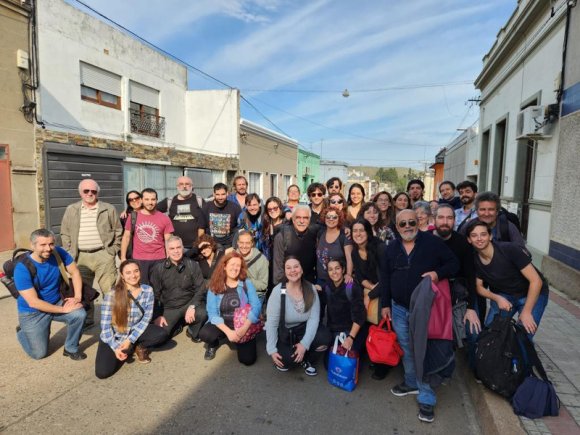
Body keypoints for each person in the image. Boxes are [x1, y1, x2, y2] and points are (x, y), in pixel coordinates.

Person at [380, 209, 459, 423]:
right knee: (406, 347)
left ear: (419, 222)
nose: (407, 226)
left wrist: (437, 274)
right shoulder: (391, 248)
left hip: (425, 310)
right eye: (402, 223)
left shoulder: (432, 243)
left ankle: (427, 397)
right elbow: (385, 277)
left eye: (411, 222)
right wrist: (385, 304)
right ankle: (411, 381)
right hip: (398, 308)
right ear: (396, 227)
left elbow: (454, 264)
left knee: (423, 350)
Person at [465, 219, 549, 336]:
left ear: (490, 236)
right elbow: (479, 287)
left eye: (483, 234)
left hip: (531, 293)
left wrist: (526, 312)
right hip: (504, 294)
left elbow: (536, 281)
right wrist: (497, 298)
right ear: (469, 240)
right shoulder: (475, 259)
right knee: (491, 334)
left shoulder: (509, 249)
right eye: (474, 235)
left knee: (524, 335)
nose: (479, 238)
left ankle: (523, 352)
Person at [14, 229, 87, 360]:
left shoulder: (58, 253)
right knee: (39, 354)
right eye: (43, 245)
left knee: (79, 314)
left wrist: (77, 297)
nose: (48, 248)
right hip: (32, 312)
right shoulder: (22, 267)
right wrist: (64, 309)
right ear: (32, 245)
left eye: (51, 244)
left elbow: (75, 272)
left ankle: (71, 348)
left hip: (56, 301)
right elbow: (33, 302)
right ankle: (21, 332)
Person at [60, 178, 122, 328]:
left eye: (93, 191)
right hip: (80, 256)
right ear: (80, 192)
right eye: (86, 191)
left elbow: (118, 231)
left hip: (103, 254)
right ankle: (87, 319)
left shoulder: (108, 209)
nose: (90, 193)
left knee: (109, 289)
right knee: (83, 289)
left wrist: (112, 250)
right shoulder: (72, 209)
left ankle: (114, 320)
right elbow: (65, 233)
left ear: (97, 192)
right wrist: (69, 253)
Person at [95, 260, 168, 379]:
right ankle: (127, 350)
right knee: (102, 373)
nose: (133, 275)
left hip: (135, 331)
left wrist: (130, 340)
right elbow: (105, 327)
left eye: (136, 271)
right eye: (128, 273)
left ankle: (135, 346)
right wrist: (115, 347)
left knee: (161, 333)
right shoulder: (112, 295)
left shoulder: (147, 291)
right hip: (115, 335)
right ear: (122, 276)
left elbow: (146, 319)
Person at [266, 257, 331, 376]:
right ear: (285, 271)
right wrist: (271, 349)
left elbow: (313, 318)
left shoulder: (311, 289)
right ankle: (295, 356)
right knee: (287, 361)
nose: (293, 270)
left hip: (304, 328)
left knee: (325, 338)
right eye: (288, 267)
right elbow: (271, 323)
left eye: (296, 266)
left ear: (301, 269)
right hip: (287, 333)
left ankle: (308, 360)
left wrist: (304, 344)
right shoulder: (278, 291)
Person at [199, 252, 262, 364]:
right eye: (232, 264)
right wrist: (229, 333)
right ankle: (215, 342)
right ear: (224, 266)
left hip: (242, 324)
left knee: (248, 360)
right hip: (223, 324)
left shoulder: (246, 283)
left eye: (238, 265)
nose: (235, 268)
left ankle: (248, 337)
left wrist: (244, 329)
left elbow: (256, 306)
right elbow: (212, 313)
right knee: (205, 334)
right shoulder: (215, 285)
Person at [150, 236, 208, 342]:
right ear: (167, 250)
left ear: (182, 248)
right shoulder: (158, 269)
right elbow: (155, 294)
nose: (176, 251)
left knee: (203, 313)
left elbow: (201, 288)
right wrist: (157, 316)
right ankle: (178, 325)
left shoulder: (192, 264)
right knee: (160, 336)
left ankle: (192, 331)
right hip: (169, 308)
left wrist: (193, 306)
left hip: (188, 303)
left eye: (178, 247)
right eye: (172, 248)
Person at [351, 218, 388, 380]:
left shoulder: (380, 248)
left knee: (383, 326)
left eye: (361, 230)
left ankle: (383, 364)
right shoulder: (354, 251)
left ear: (368, 232)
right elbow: (359, 277)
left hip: (386, 290)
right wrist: (370, 293)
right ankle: (370, 354)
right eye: (355, 231)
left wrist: (372, 295)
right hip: (369, 288)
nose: (358, 234)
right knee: (364, 319)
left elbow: (387, 278)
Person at [120, 188, 174, 285]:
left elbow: (168, 240)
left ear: (157, 200)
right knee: (141, 288)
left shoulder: (164, 218)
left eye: (153, 199)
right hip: (139, 260)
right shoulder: (133, 217)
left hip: (159, 260)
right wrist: (123, 257)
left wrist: (169, 259)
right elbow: (126, 237)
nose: (150, 202)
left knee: (159, 289)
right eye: (147, 199)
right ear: (141, 200)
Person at [325, 259, 366, 354]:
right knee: (330, 363)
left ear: (343, 270)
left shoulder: (351, 287)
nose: (334, 272)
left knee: (348, 361)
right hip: (334, 331)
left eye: (337, 268)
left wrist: (350, 338)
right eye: (330, 269)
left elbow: (360, 315)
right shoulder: (327, 287)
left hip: (352, 331)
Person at [156, 176, 206, 252]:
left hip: (195, 247)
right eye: (181, 184)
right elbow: (152, 211)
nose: (184, 186)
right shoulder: (169, 201)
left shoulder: (199, 200)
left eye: (187, 184)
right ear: (177, 186)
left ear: (192, 186)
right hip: (176, 247)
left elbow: (207, 219)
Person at [272, 205, 318, 285]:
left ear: (309, 220)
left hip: (308, 283)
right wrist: (283, 291)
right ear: (293, 220)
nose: (302, 221)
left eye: (305, 218)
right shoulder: (282, 236)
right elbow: (278, 269)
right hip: (288, 284)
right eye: (298, 217)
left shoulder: (315, 234)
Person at [202, 182, 242, 250]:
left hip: (229, 245)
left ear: (227, 194)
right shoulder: (206, 207)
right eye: (217, 194)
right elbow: (201, 227)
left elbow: (241, 227)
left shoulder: (235, 207)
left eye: (223, 194)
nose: (220, 197)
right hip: (211, 245)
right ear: (214, 194)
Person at [235, 230, 269, 301]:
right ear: (237, 243)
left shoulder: (261, 260)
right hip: (236, 293)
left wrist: (244, 281)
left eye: (247, 243)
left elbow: (263, 285)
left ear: (252, 244)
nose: (244, 246)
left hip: (255, 295)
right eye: (241, 243)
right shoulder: (232, 257)